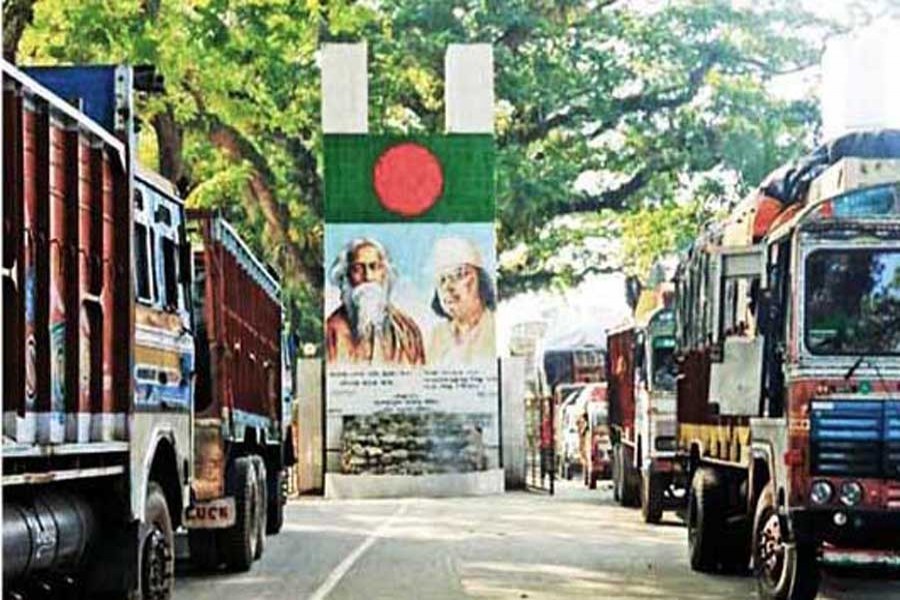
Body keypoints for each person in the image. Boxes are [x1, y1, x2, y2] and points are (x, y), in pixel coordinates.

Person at [326, 238, 425, 365]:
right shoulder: (330, 331)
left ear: (384, 273)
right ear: (346, 276)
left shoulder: (407, 331)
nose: (368, 276)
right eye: (358, 269)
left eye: (374, 267)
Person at [427, 237, 496, 365]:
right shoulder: (437, 336)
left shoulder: (496, 328)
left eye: (459, 275)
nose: (448, 287)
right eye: (442, 280)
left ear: (480, 280)